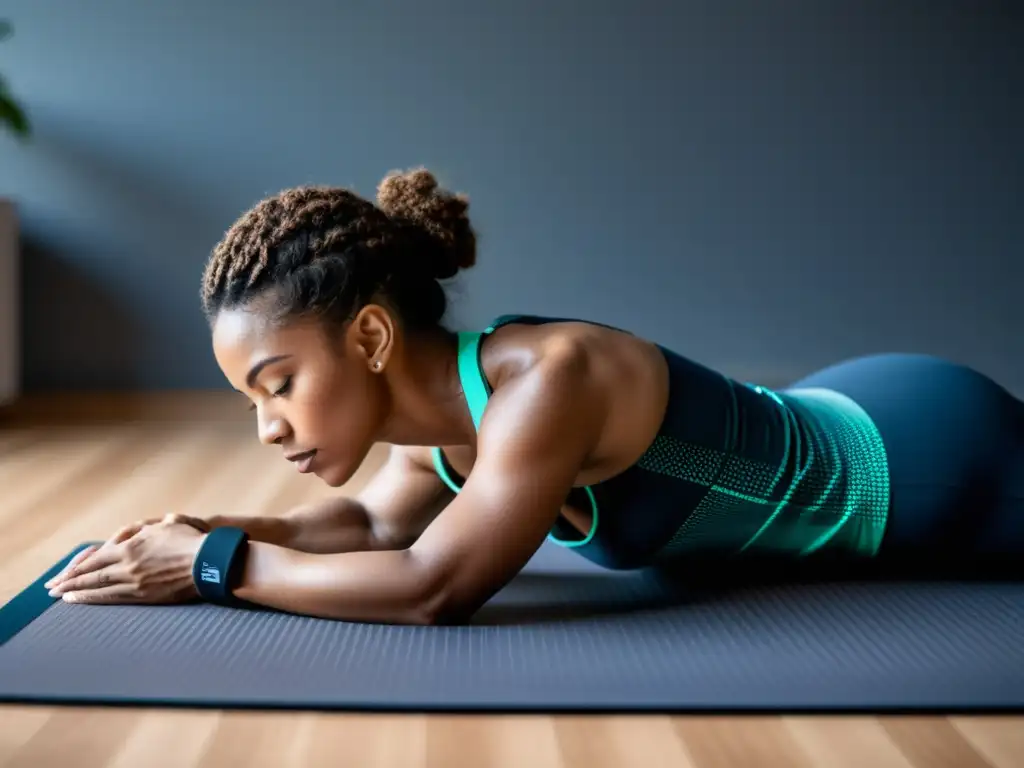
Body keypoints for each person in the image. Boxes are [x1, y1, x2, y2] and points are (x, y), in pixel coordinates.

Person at [44, 169, 1024, 624]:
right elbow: (371, 525)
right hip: (835, 400)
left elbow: (433, 584)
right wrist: (189, 528)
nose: (268, 427)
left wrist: (217, 564)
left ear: (372, 338)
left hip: (925, 461)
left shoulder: (546, 381)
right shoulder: (439, 421)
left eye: (280, 385)